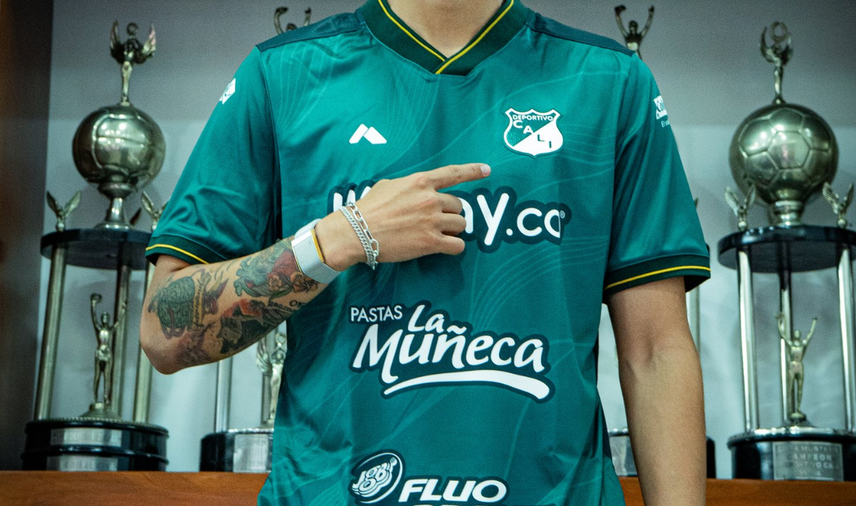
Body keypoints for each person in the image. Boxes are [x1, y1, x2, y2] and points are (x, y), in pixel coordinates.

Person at [140, 1, 710, 505]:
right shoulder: (282, 75)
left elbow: (656, 352)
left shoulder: (610, 81)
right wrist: (339, 238)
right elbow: (164, 330)